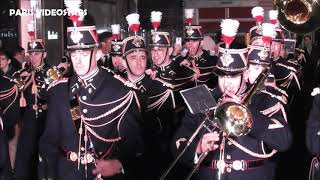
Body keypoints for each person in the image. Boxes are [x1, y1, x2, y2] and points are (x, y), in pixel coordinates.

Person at [172, 30, 292, 180]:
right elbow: (179, 140)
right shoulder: (202, 97)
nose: (227, 83)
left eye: (234, 76)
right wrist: (197, 147)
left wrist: (247, 113)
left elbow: (284, 141)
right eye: (222, 75)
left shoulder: (265, 100)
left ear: (246, 75)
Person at [38, 16, 143, 180]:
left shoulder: (119, 91)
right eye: (74, 54)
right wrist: (48, 175)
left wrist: (119, 164)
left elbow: (135, 144)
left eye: (84, 53)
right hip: (66, 173)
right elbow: (49, 142)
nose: (78, 60)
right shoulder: (59, 91)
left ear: (97, 54)